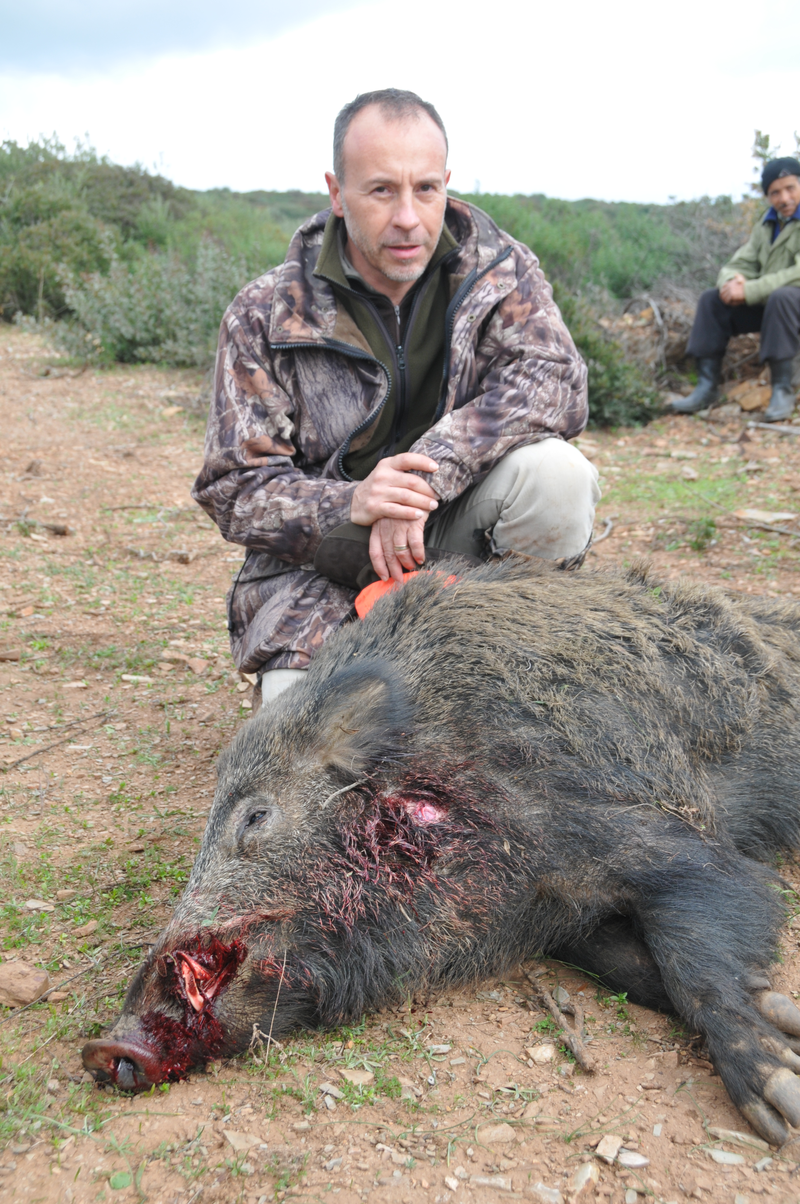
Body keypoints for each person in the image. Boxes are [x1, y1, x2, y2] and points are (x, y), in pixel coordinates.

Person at [193, 89, 598, 704]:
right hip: (321, 567)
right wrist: (354, 501)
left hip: (458, 534)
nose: (408, 217)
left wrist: (419, 482)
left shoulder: (500, 272)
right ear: (337, 192)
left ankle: (510, 658)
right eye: (382, 190)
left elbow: (556, 382)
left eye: (426, 189)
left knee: (557, 476)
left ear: (447, 183)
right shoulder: (265, 311)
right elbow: (234, 487)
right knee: (301, 741)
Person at [674, 157, 800, 421]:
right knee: (711, 299)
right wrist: (732, 283)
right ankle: (706, 387)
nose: (784, 198)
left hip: (788, 304)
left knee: (783, 297)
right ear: (768, 196)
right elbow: (738, 263)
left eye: (791, 188)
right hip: (773, 304)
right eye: (775, 192)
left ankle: (782, 389)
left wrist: (750, 289)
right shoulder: (767, 225)